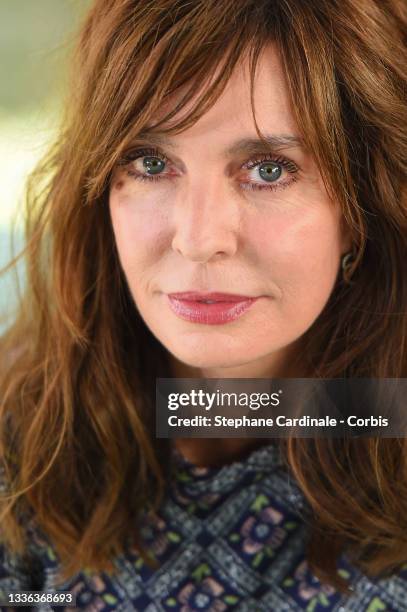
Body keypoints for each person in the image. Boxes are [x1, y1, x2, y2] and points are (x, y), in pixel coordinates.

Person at [0, 0, 406, 610]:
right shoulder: (21, 439)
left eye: (268, 170)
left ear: (361, 210)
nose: (198, 238)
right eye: (151, 162)